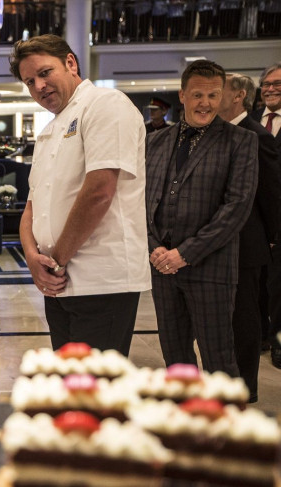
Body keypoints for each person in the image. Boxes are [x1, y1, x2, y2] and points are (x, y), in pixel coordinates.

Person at [9, 34, 151, 356]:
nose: (39, 86)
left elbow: (99, 191)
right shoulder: (49, 130)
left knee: (96, 393)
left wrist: (54, 262)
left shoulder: (105, 104)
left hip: (101, 280)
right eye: (30, 81)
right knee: (69, 388)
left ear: (71, 63)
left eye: (45, 73)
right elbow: (33, 205)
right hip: (57, 283)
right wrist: (32, 258)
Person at [145, 59, 258, 375]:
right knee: (175, 358)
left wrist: (185, 254)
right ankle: (184, 419)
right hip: (162, 269)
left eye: (213, 95)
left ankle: (223, 422)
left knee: (219, 359)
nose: (205, 103)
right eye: (197, 95)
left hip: (211, 268)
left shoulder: (241, 141)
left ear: (222, 96)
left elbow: (237, 207)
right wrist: (154, 248)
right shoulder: (153, 141)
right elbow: (139, 201)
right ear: (182, 95)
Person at [218, 72, 281, 401]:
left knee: (244, 317)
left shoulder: (256, 136)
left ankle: (245, 388)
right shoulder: (219, 131)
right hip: (219, 243)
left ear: (239, 95)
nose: (213, 97)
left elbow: (271, 193)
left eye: (220, 91)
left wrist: (271, 236)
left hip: (247, 243)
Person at [252, 61, 281, 369]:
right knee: (256, 283)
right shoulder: (251, 122)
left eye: (278, 84)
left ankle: (279, 341)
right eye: (267, 84)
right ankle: (260, 334)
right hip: (255, 218)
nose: (271, 89)